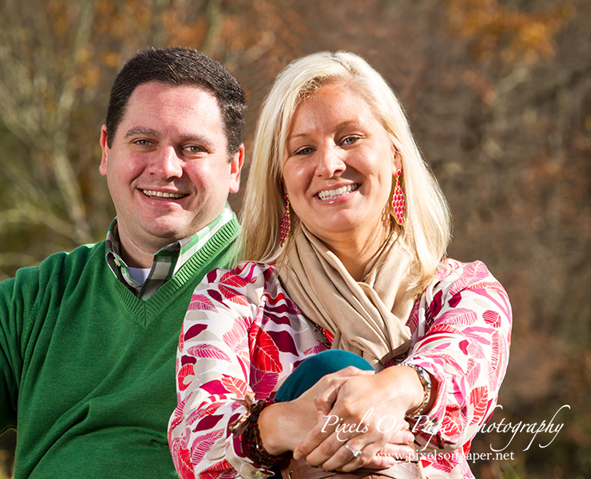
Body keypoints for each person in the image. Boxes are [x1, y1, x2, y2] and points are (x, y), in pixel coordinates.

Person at [0, 47, 246, 478]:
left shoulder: (282, 286)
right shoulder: (33, 303)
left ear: (234, 166)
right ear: (106, 150)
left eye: (193, 148)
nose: (165, 167)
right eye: (143, 141)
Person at [169, 51, 512, 479]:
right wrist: (285, 424)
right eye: (304, 149)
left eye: (350, 139)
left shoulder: (464, 293)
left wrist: (387, 392)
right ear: (282, 180)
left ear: (395, 155)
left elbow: (459, 383)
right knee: (325, 372)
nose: (329, 165)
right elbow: (196, 443)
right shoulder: (235, 297)